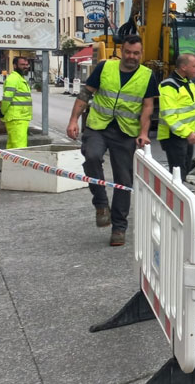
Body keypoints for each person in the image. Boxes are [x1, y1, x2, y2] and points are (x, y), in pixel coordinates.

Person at [66, 35, 158, 247]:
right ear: (121, 51)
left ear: (141, 54)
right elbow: (84, 94)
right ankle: (101, 204)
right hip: (98, 126)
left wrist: (144, 133)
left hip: (126, 133)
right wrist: (73, 120)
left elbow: (147, 107)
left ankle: (118, 228)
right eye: (128, 52)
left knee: (123, 181)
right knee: (91, 156)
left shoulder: (147, 76)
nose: (131, 57)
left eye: (136, 53)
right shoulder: (104, 67)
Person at [158, 53, 195, 175]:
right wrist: (188, 133)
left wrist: (189, 133)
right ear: (183, 67)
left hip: (186, 135)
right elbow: (169, 116)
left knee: (184, 171)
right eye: (194, 66)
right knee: (177, 174)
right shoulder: (169, 86)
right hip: (174, 137)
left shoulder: (189, 83)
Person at [0, 56, 33, 149]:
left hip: (18, 118)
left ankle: (9, 164)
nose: (25, 67)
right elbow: (7, 98)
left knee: (12, 148)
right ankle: (18, 165)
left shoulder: (18, 78)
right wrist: (2, 112)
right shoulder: (14, 79)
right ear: (15, 66)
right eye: (22, 65)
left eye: (27, 65)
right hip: (17, 118)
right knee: (20, 148)